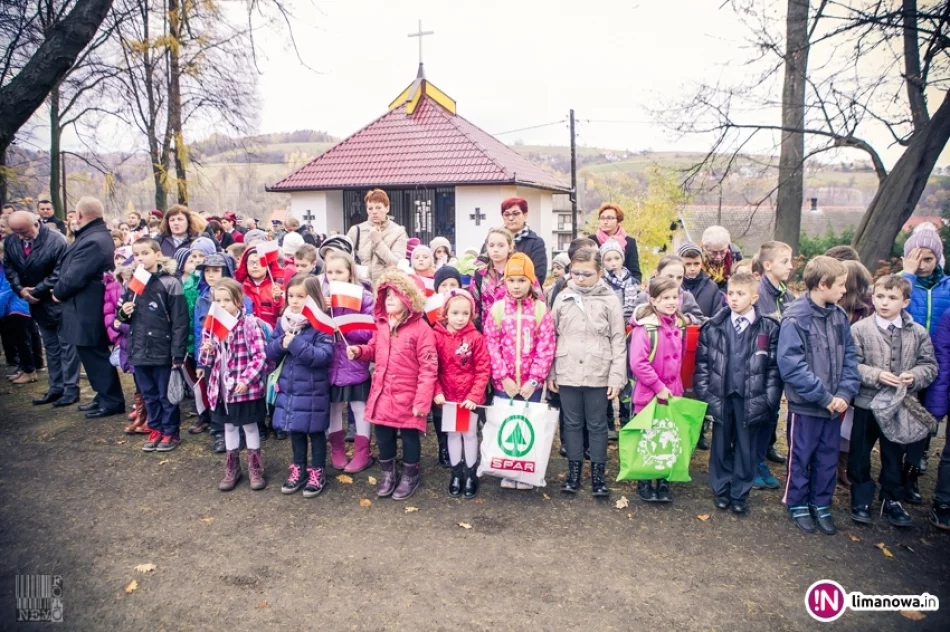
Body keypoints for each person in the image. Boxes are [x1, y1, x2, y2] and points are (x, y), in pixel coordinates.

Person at [778, 255, 859, 535]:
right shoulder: (796, 317)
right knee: (801, 455)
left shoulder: (838, 315)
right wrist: (824, 397)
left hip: (836, 406)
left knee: (828, 456)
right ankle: (797, 502)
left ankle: (821, 503)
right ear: (823, 284)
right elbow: (791, 366)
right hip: (808, 406)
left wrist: (845, 394)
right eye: (840, 284)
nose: (844, 290)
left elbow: (850, 357)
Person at [849, 274, 937, 528]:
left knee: (894, 452)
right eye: (880, 296)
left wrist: (914, 376)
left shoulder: (917, 333)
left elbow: (929, 365)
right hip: (868, 403)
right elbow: (851, 364)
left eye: (892, 298)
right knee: (860, 453)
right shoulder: (860, 329)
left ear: (906, 302)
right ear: (873, 297)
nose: (884, 302)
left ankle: (893, 499)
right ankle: (861, 497)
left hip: (900, 404)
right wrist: (876, 375)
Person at [694, 270, 782, 515]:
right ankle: (721, 490)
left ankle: (740, 492)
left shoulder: (769, 328)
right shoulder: (713, 326)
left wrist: (768, 399)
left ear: (754, 298)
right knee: (720, 445)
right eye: (730, 293)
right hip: (721, 395)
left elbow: (774, 368)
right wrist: (705, 395)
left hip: (752, 398)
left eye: (740, 294)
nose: (733, 298)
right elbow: (702, 365)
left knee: (747, 448)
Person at [346, 270, 438, 501]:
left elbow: (429, 368)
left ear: (409, 299)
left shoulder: (421, 329)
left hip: (409, 395)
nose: (388, 299)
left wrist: (421, 401)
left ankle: (410, 475)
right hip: (383, 393)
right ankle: (388, 473)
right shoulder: (383, 325)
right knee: (384, 434)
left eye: (394, 295)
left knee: (409, 436)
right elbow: (374, 350)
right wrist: (359, 352)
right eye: (386, 294)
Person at [548, 247, 626, 498]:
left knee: (597, 424)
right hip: (567, 368)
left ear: (599, 273)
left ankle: (598, 475)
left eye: (587, 274)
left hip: (598, 370)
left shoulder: (610, 299)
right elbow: (552, 335)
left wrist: (616, 376)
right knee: (571, 424)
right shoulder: (562, 297)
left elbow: (618, 339)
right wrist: (551, 372)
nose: (580, 278)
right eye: (575, 273)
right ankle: (573, 472)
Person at [484, 253, 556, 490]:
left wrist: (534, 381)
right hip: (504, 384)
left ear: (531, 281)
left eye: (521, 280)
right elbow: (491, 344)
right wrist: (502, 377)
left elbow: (545, 347)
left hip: (529, 386)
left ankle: (526, 472)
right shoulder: (497, 309)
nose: (516, 286)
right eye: (511, 280)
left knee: (527, 425)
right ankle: (507, 468)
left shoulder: (539, 310)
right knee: (506, 424)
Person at [53, 197, 126, 417]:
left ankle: (111, 400)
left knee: (93, 353)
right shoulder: (95, 236)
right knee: (91, 353)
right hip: (86, 306)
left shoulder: (93, 240)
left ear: (80, 215)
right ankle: (102, 395)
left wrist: (57, 293)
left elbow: (75, 276)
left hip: (87, 307)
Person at [265, 274, 334, 498]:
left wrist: (294, 344)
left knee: (315, 432)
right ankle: (298, 468)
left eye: (301, 296)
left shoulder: (321, 325)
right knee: (295, 430)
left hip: (313, 389)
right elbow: (270, 351)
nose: (294, 301)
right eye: (291, 296)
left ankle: (317, 470)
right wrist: (281, 344)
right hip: (290, 388)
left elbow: (323, 356)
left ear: (312, 298)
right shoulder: (283, 322)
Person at [118, 237, 189, 451]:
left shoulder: (170, 283)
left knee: (166, 395)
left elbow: (180, 321)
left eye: (145, 253)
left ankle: (170, 432)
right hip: (139, 349)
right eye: (137, 254)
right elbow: (121, 316)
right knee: (149, 394)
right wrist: (124, 313)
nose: (140, 258)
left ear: (157, 254)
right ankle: (155, 429)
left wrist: (177, 353)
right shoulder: (134, 282)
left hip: (162, 350)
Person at [198, 278, 269, 490]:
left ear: (238, 301)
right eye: (217, 300)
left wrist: (246, 380)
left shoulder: (250, 324)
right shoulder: (211, 327)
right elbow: (207, 362)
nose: (221, 305)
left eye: (226, 300)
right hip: (221, 389)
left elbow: (260, 356)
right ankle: (232, 466)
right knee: (228, 426)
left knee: (249, 425)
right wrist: (207, 351)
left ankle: (255, 467)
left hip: (244, 389)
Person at [4, 211, 80, 405]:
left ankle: (71, 389)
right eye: (16, 232)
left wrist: (37, 290)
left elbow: (61, 272)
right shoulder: (12, 241)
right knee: (51, 347)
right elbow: (9, 266)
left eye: (23, 231)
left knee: (67, 346)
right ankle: (56, 388)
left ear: (36, 224)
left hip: (56, 300)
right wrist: (20, 290)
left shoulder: (57, 241)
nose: (20, 236)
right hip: (34, 303)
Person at [629, 277, 688, 503]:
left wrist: (674, 388)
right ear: (653, 300)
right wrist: (658, 386)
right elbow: (638, 363)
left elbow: (680, 358)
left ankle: (663, 479)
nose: (671, 302)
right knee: (647, 437)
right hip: (649, 395)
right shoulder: (646, 329)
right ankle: (644, 480)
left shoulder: (678, 326)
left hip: (672, 393)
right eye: (665, 298)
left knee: (667, 435)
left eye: (674, 297)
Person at [192, 253, 254, 451]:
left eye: (216, 270)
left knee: (238, 397)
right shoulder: (202, 299)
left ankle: (245, 432)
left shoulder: (243, 299)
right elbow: (198, 330)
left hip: (238, 359)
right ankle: (220, 432)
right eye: (207, 271)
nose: (210, 275)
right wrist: (200, 362)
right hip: (216, 358)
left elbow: (248, 327)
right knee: (217, 394)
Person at [432, 289, 490, 498]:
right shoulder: (436, 336)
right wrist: (436, 391)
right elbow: (431, 367)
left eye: (465, 313)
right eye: (455, 313)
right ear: (446, 313)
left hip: (468, 399)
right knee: (453, 434)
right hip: (448, 398)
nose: (460, 318)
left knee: (470, 433)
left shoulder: (475, 338)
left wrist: (474, 396)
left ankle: (471, 473)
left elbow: (483, 369)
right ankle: (456, 473)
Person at [323, 251, 376, 474]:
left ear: (350, 272)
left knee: (359, 406)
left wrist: (346, 327)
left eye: (339, 272)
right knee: (334, 408)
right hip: (330, 362)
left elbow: (370, 330)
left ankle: (363, 451)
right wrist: (323, 310)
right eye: (330, 272)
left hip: (354, 361)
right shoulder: (321, 296)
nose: (334, 276)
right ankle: (337, 449)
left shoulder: (363, 297)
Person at [753, 240, 796, 485]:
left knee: (771, 415)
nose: (790, 266)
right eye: (784, 261)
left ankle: (760, 457)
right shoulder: (758, 294)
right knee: (758, 416)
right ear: (768, 265)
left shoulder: (788, 295)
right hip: (760, 368)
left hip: (779, 369)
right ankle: (752, 464)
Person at [346, 189, 408, 283]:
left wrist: (378, 242)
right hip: (362, 285)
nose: (374, 212)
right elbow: (344, 259)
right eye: (370, 208)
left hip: (387, 286)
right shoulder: (356, 230)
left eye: (378, 207)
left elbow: (397, 264)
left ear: (387, 208)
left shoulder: (398, 232)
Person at [901, 227, 950, 335]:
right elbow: (895, 310)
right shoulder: (896, 283)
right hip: (907, 349)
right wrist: (908, 275)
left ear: (937, 259)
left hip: (941, 350)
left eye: (928, 259)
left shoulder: (948, 286)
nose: (922, 266)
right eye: (916, 259)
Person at [0, 243, 36, 384]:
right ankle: (24, 369)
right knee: (19, 341)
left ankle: (30, 371)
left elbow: (7, 289)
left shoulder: (9, 268)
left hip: (19, 308)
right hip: (12, 308)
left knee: (23, 341)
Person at [632, 255, 705, 323]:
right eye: (670, 277)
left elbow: (701, 319)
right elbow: (627, 320)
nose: (674, 281)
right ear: (657, 275)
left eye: (679, 277)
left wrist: (686, 319)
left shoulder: (686, 297)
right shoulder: (643, 297)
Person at [588, 202, 642, 285]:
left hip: (623, 286)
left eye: (609, 218)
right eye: (602, 218)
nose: (605, 222)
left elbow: (635, 273)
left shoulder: (629, 242)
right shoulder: (592, 240)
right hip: (598, 285)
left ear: (618, 220)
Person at [471, 227, 514, 329]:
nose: (495, 249)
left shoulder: (520, 273)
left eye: (501, 245)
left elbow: (537, 301)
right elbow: (474, 307)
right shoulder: (479, 275)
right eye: (491, 245)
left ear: (510, 247)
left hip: (513, 332)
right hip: (486, 333)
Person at [498, 197, 548, 282]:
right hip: (493, 293)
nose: (511, 218)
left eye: (516, 214)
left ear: (525, 215)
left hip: (525, 293)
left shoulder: (536, 242)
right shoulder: (494, 240)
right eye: (506, 214)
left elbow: (538, 276)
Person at [235, 243, 284, 328]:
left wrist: (277, 300)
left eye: (259, 262)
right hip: (248, 336)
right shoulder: (239, 289)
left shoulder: (278, 288)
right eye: (251, 263)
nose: (255, 266)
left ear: (267, 265)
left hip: (272, 336)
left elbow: (282, 315)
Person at [679, 242, 725, 318]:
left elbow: (717, 317)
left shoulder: (712, 287)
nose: (692, 268)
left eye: (696, 264)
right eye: (688, 264)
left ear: (702, 263)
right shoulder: (673, 286)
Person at [600, 239, 638, 323]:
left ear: (622, 259)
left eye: (617, 258)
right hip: (610, 323)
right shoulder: (602, 283)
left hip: (631, 323)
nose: (613, 263)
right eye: (608, 260)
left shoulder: (632, 281)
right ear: (603, 262)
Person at [701, 226, 743, 290]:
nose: (718, 257)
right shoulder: (696, 259)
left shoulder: (735, 255)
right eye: (714, 252)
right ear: (704, 248)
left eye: (722, 251)